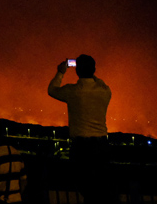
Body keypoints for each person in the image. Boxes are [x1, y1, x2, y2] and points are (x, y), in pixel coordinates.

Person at [47, 54, 113, 203]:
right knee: (100, 189)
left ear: (77, 71)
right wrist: (91, 73)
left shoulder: (73, 91)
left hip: (82, 147)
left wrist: (61, 72)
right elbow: (99, 82)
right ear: (94, 70)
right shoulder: (105, 91)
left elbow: (52, 90)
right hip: (102, 146)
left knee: (84, 187)